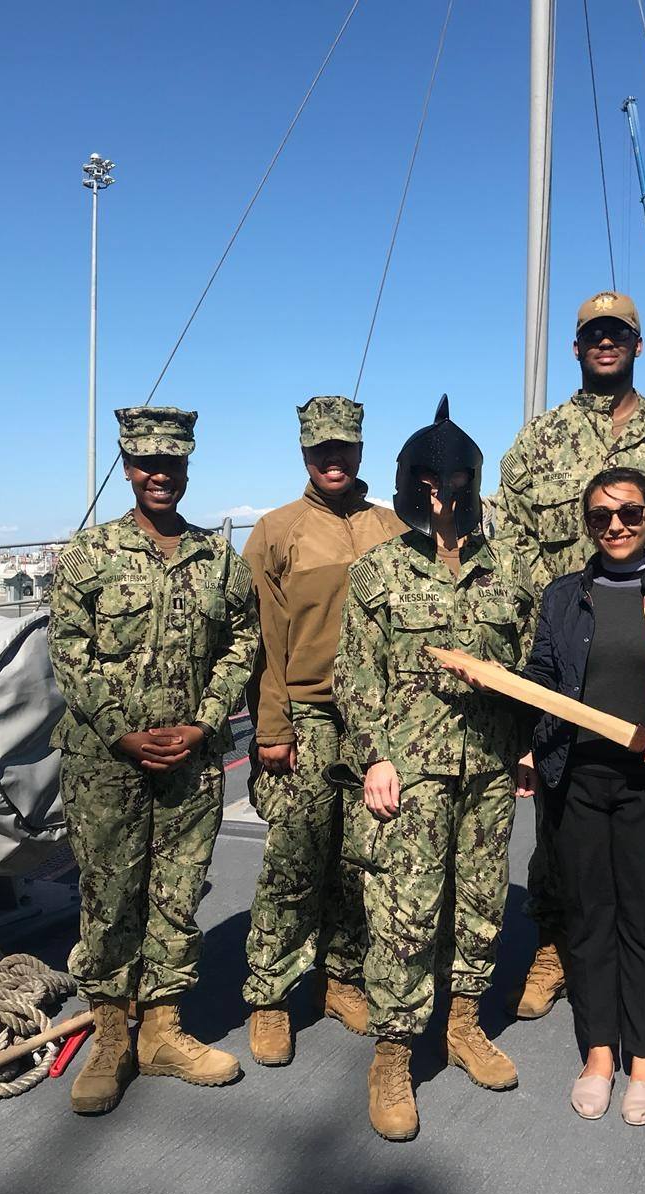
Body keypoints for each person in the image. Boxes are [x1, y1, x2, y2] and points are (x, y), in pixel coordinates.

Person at [493, 290, 645, 1033]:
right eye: (593, 334)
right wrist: (561, 611)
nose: (605, 343)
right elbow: (515, 542)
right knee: (563, 812)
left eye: (617, 333)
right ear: (577, 346)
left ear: (636, 343)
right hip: (567, 658)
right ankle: (554, 943)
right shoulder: (537, 443)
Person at [334, 396, 538, 1141]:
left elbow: (528, 667)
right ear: (412, 484)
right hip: (409, 772)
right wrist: (376, 757)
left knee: (481, 905)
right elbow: (355, 676)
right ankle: (392, 1053)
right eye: (428, 482)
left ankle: (462, 1025)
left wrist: (523, 744)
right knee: (404, 912)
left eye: (449, 483)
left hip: (486, 769)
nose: (440, 495)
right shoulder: (378, 572)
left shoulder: (510, 571)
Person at [48, 406, 259, 1114]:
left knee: (176, 897)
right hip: (106, 764)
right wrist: (121, 730)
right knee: (108, 902)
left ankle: (162, 1031)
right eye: (146, 463)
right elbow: (68, 652)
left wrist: (204, 724)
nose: (159, 475)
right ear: (128, 466)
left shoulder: (218, 561)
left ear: (188, 466)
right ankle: (111, 1037)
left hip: (191, 762)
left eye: (171, 463)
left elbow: (242, 644)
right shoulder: (88, 555)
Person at [519, 466, 645, 1125]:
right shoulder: (560, 598)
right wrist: (533, 739)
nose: (616, 526)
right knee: (588, 917)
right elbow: (543, 679)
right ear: (587, 524)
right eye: (601, 517)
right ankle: (600, 1053)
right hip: (576, 782)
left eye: (630, 513)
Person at [240, 396, 406, 1066]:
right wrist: (271, 726)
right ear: (304, 453)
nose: (332, 460)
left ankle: (342, 977)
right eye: (319, 450)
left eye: (343, 448)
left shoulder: (393, 527)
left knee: (358, 859)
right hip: (304, 715)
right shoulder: (277, 531)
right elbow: (261, 639)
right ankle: (271, 994)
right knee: (294, 858)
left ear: (361, 450)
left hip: (372, 723)